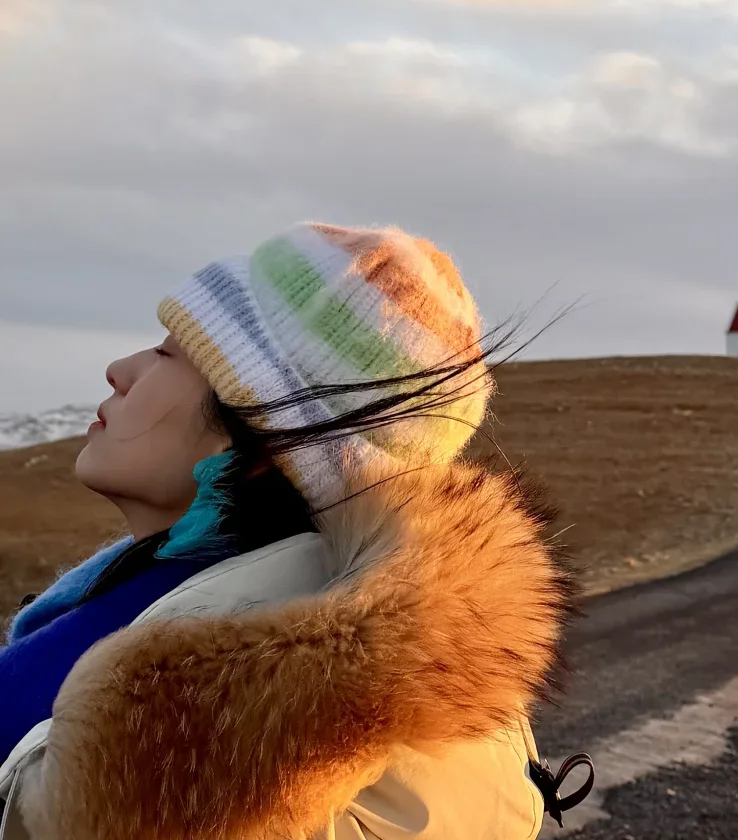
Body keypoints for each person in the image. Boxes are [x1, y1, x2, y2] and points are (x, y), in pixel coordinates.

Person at [0, 221, 576, 840]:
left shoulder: (197, 710)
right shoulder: (196, 619)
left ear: (260, 439)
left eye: (168, 354)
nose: (120, 369)